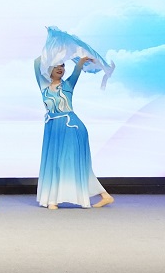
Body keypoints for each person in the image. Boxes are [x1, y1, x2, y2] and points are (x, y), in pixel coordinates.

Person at [34, 26, 115, 209]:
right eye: (57, 65)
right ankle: (103, 195)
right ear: (49, 67)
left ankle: (56, 199)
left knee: (69, 163)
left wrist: (82, 59)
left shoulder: (68, 85)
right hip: (53, 129)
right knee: (55, 163)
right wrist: (52, 45)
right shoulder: (44, 87)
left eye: (63, 65)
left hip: (71, 127)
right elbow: (37, 62)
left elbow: (78, 67)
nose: (60, 68)